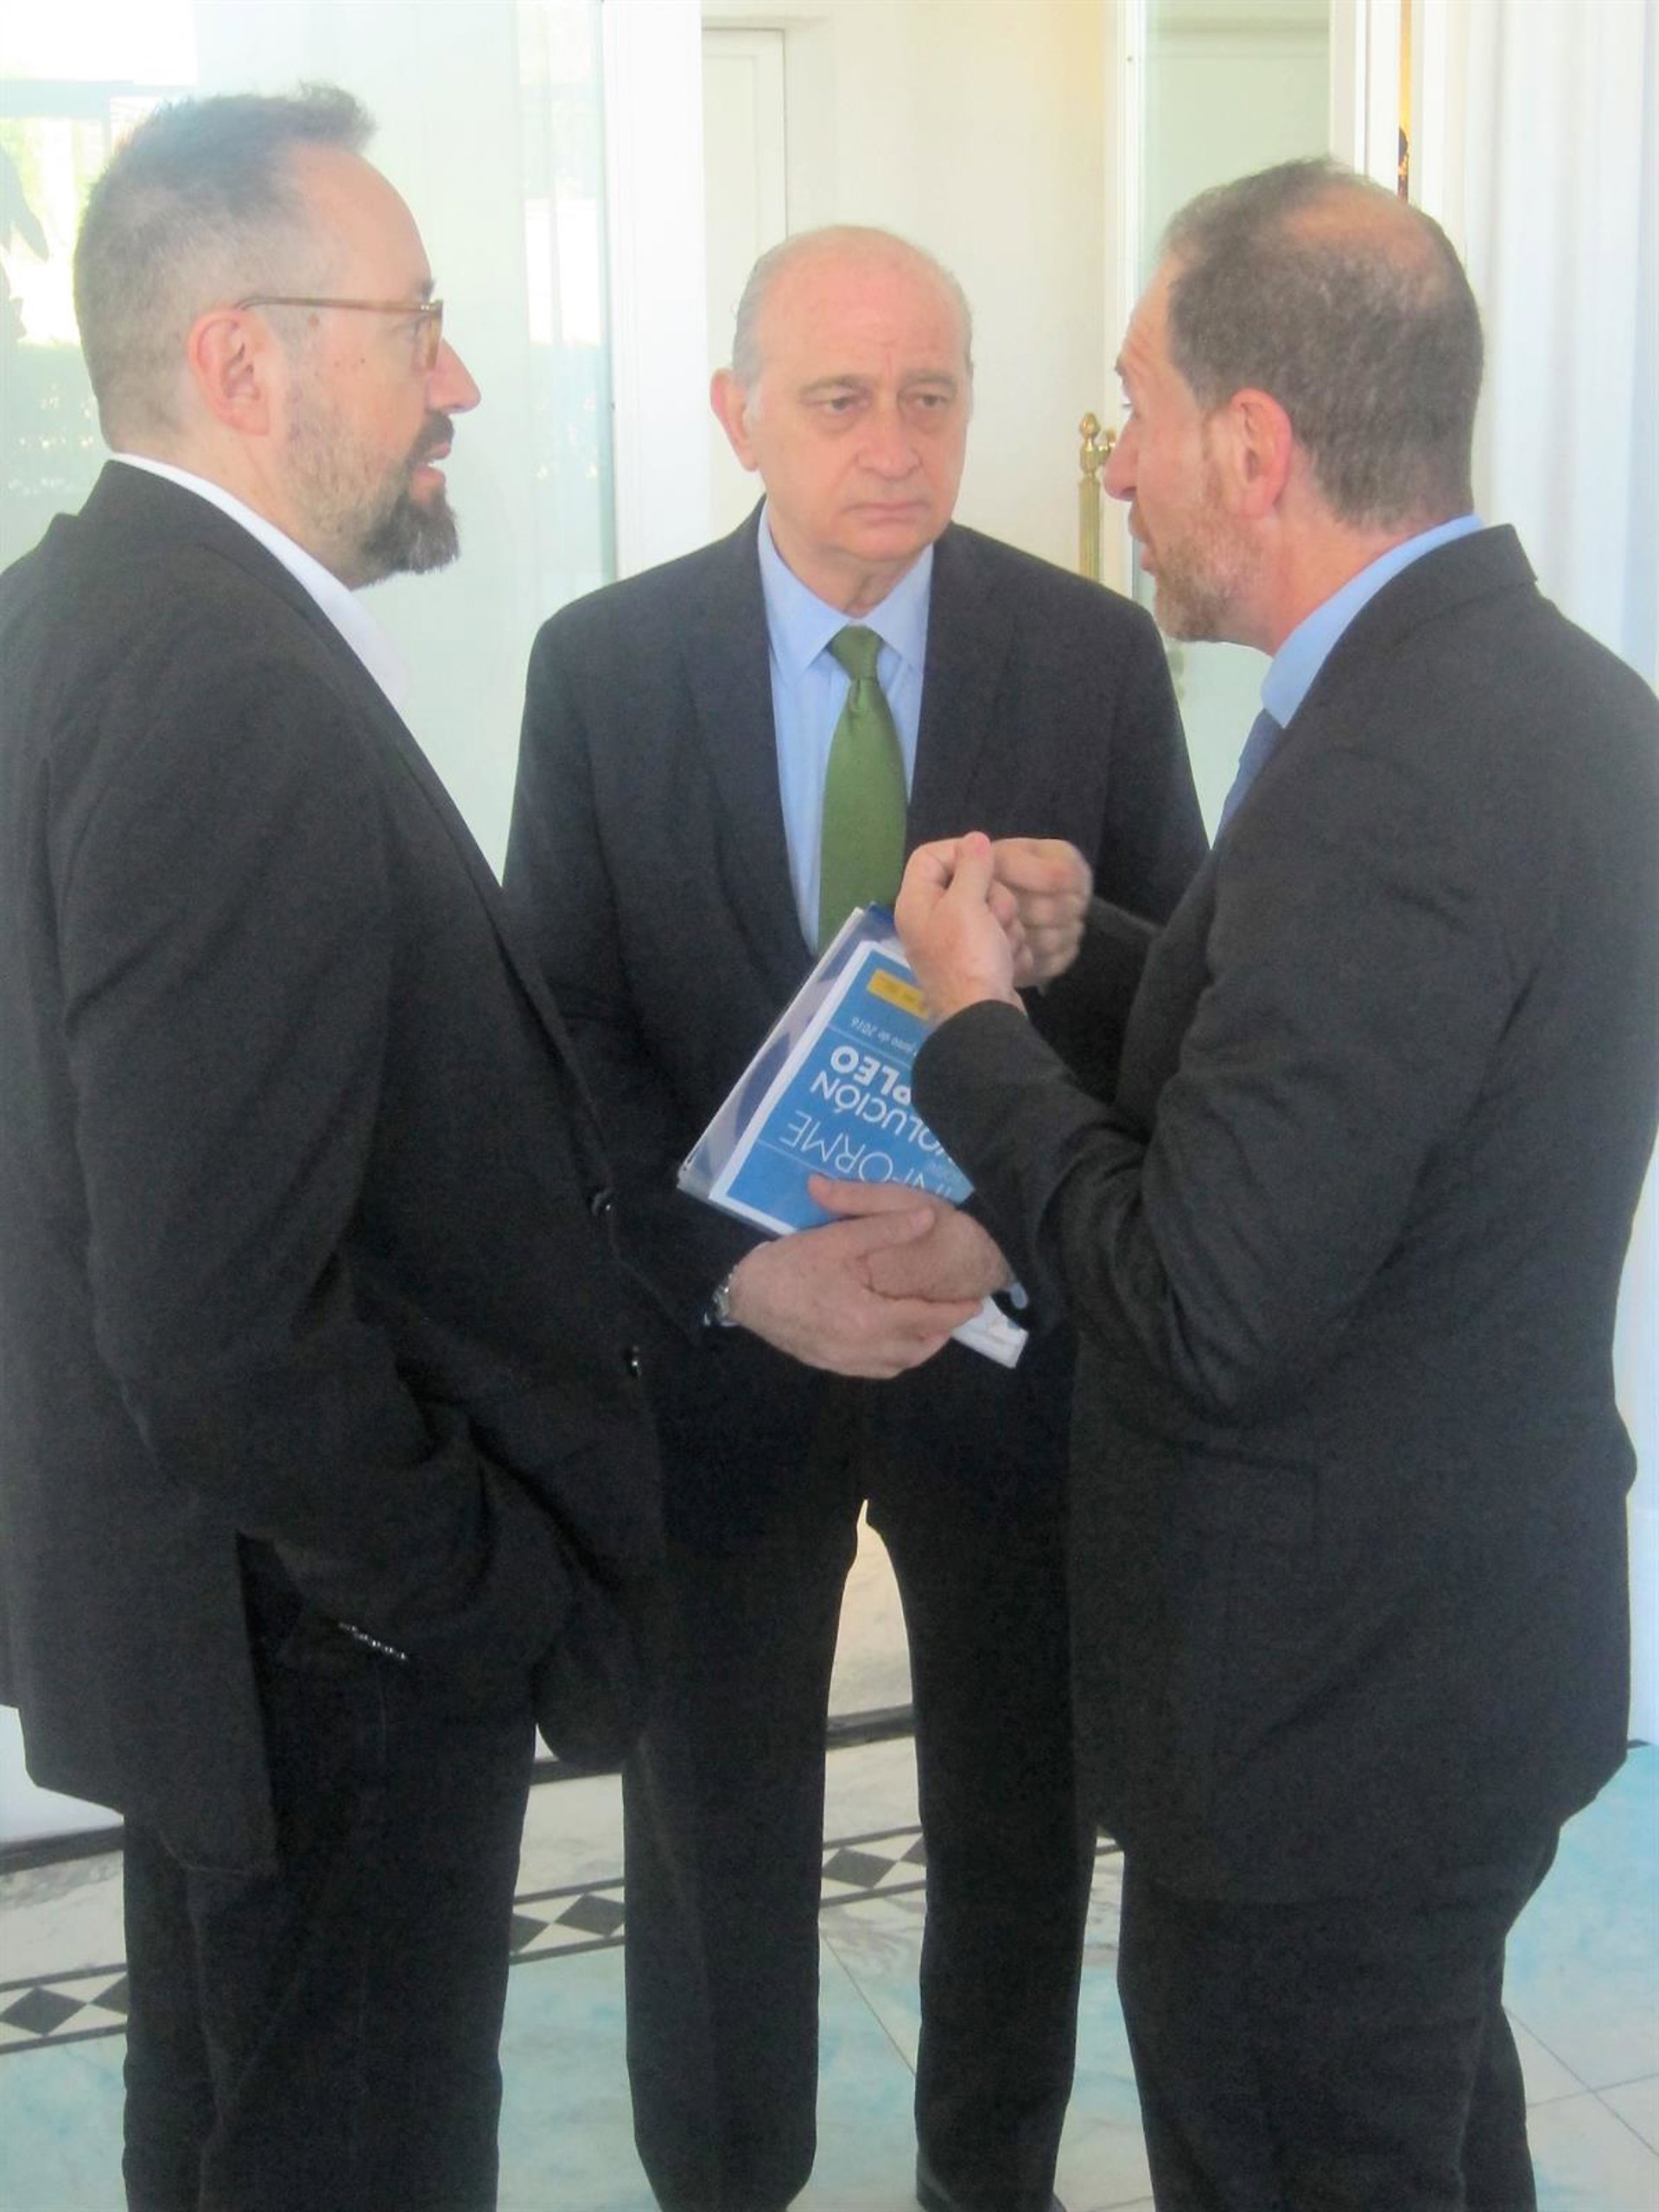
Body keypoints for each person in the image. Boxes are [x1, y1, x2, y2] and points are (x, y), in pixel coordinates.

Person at [880, 158, 1659, 2211]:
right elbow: (1370, 1087)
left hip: (1320, 1722)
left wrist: (970, 1031)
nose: (1117, 468)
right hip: (1445, 1659)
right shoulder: (1550, 695)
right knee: (1426, 2129)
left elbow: (1202, 1298)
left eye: (1132, 410)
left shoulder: (1388, 772)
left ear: (1254, 441)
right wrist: (1100, 957)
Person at [0, 88, 661, 2212]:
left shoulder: (75, 610)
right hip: (322, 1656)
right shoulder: (228, 685)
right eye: (418, 324)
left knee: (226, 2135)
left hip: (203, 1625)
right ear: (240, 360)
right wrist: (472, 1592)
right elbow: (213, 1320)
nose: (459, 381)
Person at [504, 223, 1205, 2212]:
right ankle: (728, 2176)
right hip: (724, 1363)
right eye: (838, 399)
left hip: (1008, 1352)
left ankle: (990, 2174)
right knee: (714, 1822)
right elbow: (561, 1040)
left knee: (1018, 1811)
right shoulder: (602, 666)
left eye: (931, 396)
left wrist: (1009, 1219)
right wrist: (742, 1273)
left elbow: (1180, 1005)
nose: (893, 443)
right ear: (737, 413)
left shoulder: (1090, 653)